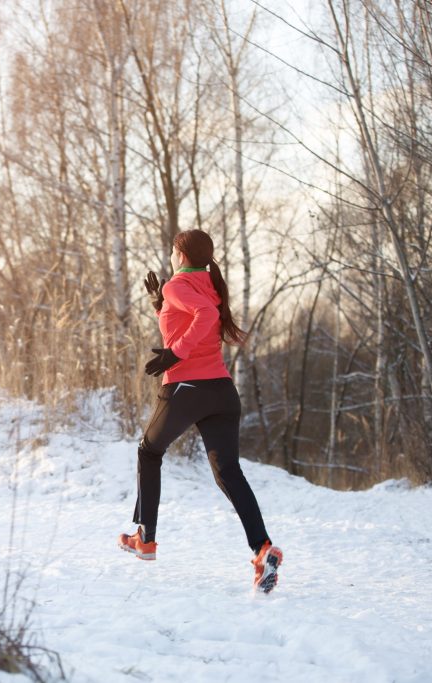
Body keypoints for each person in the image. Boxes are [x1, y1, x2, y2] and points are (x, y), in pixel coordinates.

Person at [118, 229, 283, 594]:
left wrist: (175, 353)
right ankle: (262, 549)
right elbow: (199, 316)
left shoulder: (179, 284)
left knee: (149, 452)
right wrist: (159, 306)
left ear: (179, 253)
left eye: (172, 250)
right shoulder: (208, 282)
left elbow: (204, 317)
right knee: (228, 473)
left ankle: (145, 537)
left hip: (187, 388)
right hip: (222, 393)